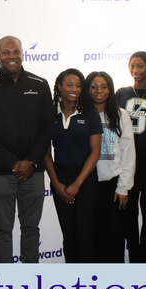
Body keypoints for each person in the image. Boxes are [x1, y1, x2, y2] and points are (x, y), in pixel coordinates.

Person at [0, 35, 54, 264]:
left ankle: (31, 280)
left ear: (22, 53)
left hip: (33, 171)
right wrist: (13, 163)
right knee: (3, 230)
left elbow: (47, 126)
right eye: (6, 52)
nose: (11, 56)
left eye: (16, 51)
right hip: (0, 173)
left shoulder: (39, 84)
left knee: (31, 229)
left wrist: (32, 161)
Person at [43, 69, 102, 263]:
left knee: (84, 234)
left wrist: (77, 184)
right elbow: (45, 153)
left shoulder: (90, 113)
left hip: (85, 179)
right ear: (60, 87)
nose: (74, 89)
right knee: (68, 234)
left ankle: (90, 279)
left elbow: (95, 152)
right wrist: (56, 183)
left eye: (78, 85)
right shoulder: (49, 114)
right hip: (59, 176)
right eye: (69, 85)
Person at [114, 51, 146, 263]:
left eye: (140, 66)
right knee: (127, 215)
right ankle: (134, 260)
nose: (135, 70)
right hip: (127, 162)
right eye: (132, 66)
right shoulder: (122, 93)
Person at [86, 71, 136, 263]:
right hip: (89, 184)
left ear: (110, 89)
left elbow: (128, 152)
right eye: (94, 86)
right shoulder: (82, 114)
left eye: (104, 86)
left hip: (113, 185)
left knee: (114, 235)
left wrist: (123, 186)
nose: (99, 91)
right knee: (92, 235)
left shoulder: (120, 115)